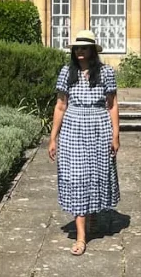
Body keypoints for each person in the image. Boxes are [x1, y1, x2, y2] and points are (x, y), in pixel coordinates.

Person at [48, 30, 120, 256]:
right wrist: (53, 138)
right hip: (72, 129)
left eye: (84, 47)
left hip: (99, 128)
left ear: (92, 50)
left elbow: (112, 104)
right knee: (77, 177)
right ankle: (81, 237)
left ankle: (93, 214)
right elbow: (60, 106)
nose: (80, 51)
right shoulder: (66, 72)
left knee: (96, 174)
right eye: (77, 48)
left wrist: (115, 134)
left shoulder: (106, 72)